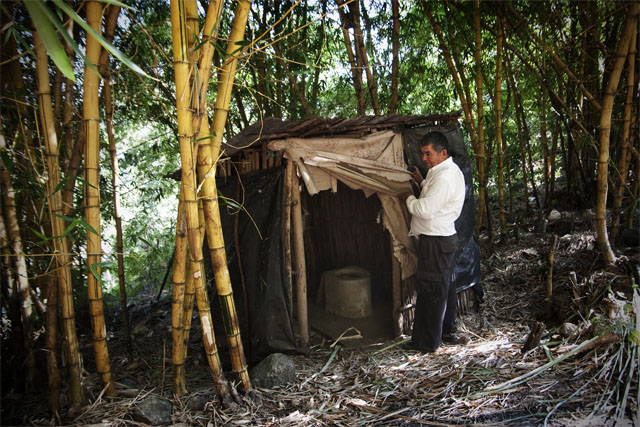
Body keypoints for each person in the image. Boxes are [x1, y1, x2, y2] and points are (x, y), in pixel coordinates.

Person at [400, 131, 467, 352]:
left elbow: (426, 208)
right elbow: (435, 197)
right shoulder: (440, 173)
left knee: (431, 291)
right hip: (440, 239)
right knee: (443, 289)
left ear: (443, 152)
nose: (424, 158)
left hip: (436, 242)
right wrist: (422, 183)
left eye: (428, 154)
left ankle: (426, 343)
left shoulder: (446, 177)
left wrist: (407, 197)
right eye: (422, 154)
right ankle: (447, 331)